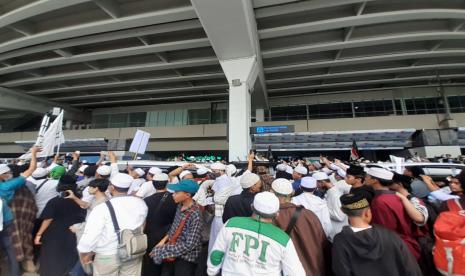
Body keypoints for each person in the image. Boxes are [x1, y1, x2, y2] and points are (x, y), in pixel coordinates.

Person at [207, 191, 305, 276]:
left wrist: (212, 271)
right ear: (277, 214)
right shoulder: (283, 239)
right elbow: (296, 272)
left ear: (252, 207)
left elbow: (216, 254)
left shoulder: (231, 223)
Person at [332, 193, 422, 276]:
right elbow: (410, 267)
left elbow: (341, 271)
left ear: (343, 211)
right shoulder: (389, 235)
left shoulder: (340, 242)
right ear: (367, 213)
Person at [78, 173, 148, 276]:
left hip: (107, 254)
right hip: (132, 250)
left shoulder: (102, 207)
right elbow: (142, 224)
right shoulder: (140, 203)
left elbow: (92, 233)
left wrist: (85, 252)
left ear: (111, 187)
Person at [271, 178, 329, 276]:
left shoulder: (268, 216)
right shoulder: (308, 215)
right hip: (309, 266)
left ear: (272, 193)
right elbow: (322, 241)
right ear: (292, 193)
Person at [34, 175, 86, 276]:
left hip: (54, 234)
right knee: (69, 256)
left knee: (51, 257)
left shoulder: (54, 201)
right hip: (73, 233)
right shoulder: (81, 201)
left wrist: (39, 234)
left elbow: (48, 219)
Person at [364, 167, 420, 259]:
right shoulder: (395, 196)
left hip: (395, 248)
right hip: (405, 243)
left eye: (367, 176)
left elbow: (386, 229)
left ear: (374, 180)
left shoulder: (380, 200)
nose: (365, 178)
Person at [150, 179, 203, 276]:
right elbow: (174, 227)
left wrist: (163, 251)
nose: (173, 195)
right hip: (173, 250)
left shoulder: (196, 215)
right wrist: (162, 242)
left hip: (186, 258)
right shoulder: (179, 206)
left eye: (177, 192)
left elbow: (190, 244)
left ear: (188, 195)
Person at [0, 146, 38, 276]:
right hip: (6, 221)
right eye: (6, 173)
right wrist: (33, 153)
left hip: (6, 221)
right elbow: (31, 169)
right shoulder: (8, 186)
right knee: (11, 250)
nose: (8, 174)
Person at [142, 173, 177, 276]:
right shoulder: (174, 199)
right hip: (170, 234)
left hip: (150, 235)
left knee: (151, 264)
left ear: (153, 183)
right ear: (167, 183)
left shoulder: (146, 200)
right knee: (168, 263)